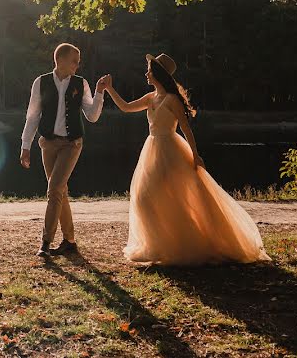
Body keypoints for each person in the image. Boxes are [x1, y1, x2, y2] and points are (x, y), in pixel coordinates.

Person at [104, 53, 271, 265]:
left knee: (174, 197)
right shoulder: (150, 97)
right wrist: (109, 88)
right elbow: (126, 107)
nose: (146, 73)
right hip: (152, 147)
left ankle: (181, 244)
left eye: (149, 70)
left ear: (158, 73)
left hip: (170, 150)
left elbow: (185, 128)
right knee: (144, 197)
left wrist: (195, 154)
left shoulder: (172, 100)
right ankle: (157, 244)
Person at [20, 42, 110, 257]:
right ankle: (69, 241)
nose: (77, 66)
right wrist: (25, 146)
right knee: (60, 192)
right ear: (59, 60)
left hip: (72, 144)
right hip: (48, 143)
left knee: (54, 190)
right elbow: (32, 117)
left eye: (78, 63)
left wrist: (99, 92)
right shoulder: (40, 83)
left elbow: (93, 116)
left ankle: (45, 242)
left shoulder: (82, 83)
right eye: (74, 62)